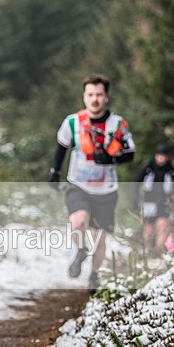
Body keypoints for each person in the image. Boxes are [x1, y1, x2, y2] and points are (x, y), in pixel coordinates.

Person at [49, 73, 135, 293]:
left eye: (99, 94)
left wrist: (111, 159)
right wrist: (55, 173)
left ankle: (94, 275)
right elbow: (61, 148)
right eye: (90, 94)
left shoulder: (118, 124)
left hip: (106, 189)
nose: (94, 99)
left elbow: (130, 154)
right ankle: (80, 250)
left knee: (100, 237)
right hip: (78, 184)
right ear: (84, 96)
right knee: (77, 222)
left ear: (106, 97)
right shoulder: (72, 122)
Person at [132, 144, 174, 255]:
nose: (161, 159)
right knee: (149, 229)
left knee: (162, 226)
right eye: (159, 156)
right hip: (149, 202)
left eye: (163, 156)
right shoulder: (147, 168)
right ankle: (149, 250)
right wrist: (134, 200)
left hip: (165, 203)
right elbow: (136, 183)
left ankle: (158, 252)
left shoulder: (171, 170)